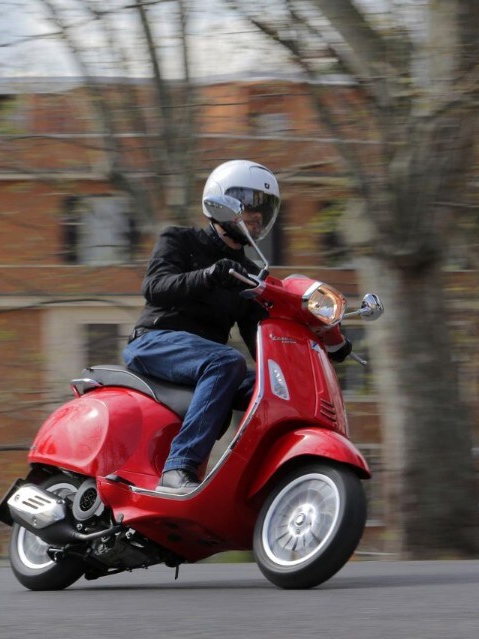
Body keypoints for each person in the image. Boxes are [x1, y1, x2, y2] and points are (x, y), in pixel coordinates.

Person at [123, 159, 351, 495]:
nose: (257, 216)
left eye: (264, 208)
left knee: (274, 388)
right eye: (248, 203)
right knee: (226, 361)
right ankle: (178, 467)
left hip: (206, 361)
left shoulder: (249, 273)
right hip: (156, 341)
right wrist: (208, 275)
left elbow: (259, 336)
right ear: (221, 202)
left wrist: (321, 341)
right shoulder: (181, 240)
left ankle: (259, 484)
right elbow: (154, 287)